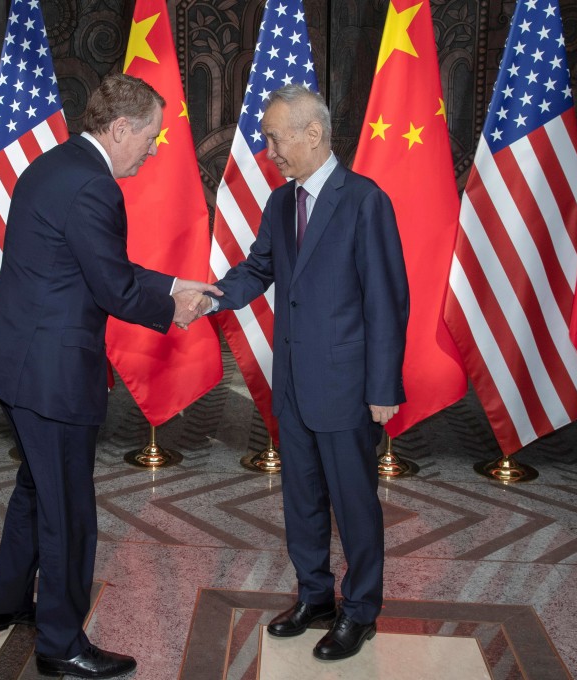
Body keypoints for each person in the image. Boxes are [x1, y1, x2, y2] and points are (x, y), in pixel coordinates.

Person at [0, 73, 220, 679]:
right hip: (51, 374)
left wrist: (172, 281)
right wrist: (173, 309)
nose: (153, 149)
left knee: (37, 486)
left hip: (18, 360)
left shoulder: (55, 165)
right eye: (150, 137)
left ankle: (6, 600)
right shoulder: (94, 185)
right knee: (67, 508)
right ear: (119, 128)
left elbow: (92, 263)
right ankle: (61, 645)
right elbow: (111, 286)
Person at [202, 84, 408, 661]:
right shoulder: (280, 203)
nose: (269, 151)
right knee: (302, 500)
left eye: (275, 138)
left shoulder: (365, 201)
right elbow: (258, 269)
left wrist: (383, 387)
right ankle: (314, 596)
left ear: (312, 134)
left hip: (346, 388)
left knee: (354, 504)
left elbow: (387, 301)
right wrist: (208, 297)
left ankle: (360, 611)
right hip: (292, 383)